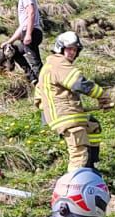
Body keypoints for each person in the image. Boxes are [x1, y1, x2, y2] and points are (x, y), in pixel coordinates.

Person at [37, 30, 99, 171]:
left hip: (64, 114)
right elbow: (80, 84)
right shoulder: (60, 65)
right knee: (78, 153)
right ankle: (74, 184)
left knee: (93, 125)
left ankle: (91, 166)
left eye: (75, 50)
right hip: (67, 117)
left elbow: (38, 96)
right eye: (69, 49)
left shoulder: (48, 66)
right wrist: (103, 97)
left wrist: (48, 110)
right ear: (60, 48)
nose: (72, 52)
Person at [6, 0, 43, 82]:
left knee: (35, 62)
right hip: (28, 32)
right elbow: (22, 26)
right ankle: (32, 78)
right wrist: (9, 41)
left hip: (32, 32)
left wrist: (28, 34)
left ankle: (44, 85)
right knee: (15, 52)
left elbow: (31, 13)